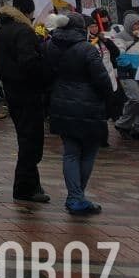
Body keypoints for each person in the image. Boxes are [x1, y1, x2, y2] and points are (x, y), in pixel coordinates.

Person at [44, 12, 113, 216]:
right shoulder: (87, 50)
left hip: (61, 102)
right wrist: (109, 100)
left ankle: (75, 196)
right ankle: (76, 197)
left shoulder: (50, 46)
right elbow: (102, 80)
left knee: (71, 152)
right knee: (89, 151)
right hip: (88, 105)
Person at [0, 0, 49, 202]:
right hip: (27, 91)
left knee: (26, 137)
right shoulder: (24, 31)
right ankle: (24, 187)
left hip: (11, 89)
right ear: (27, 12)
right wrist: (43, 71)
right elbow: (29, 63)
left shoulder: (1, 29)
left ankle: (33, 184)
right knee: (31, 141)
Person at [112, 12, 139, 140]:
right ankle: (122, 124)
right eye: (135, 24)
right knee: (135, 99)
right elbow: (119, 55)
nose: (138, 26)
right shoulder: (120, 37)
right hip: (127, 73)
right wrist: (129, 67)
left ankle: (138, 128)